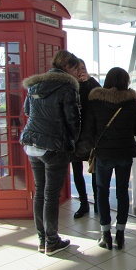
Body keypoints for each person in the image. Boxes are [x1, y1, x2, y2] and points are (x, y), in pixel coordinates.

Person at [20, 49, 81, 256]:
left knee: (40, 192)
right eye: (75, 68)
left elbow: (27, 110)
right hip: (54, 145)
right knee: (51, 195)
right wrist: (72, 141)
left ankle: (41, 240)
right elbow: (73, 119)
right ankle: (52, 242)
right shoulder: (67, 86)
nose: (76, 73)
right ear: (67, 67)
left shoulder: (35, 84)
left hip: (31, 142)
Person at [81, 67, 136, 250]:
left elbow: (88, 130)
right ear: (126, 82)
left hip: (103, 153)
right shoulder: (132, 102)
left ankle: (105, 234)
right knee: (123, 192)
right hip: (124, 152)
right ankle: (121, 235)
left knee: (102, 191)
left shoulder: (96, 101)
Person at [70, 59, 100, 219]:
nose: (81, 71)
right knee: (76, 171)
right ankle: (83, 203)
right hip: (75, 135)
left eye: (83, 68)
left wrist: (89, 79)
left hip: (91, 134)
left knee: (94, 169)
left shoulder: (90, 84)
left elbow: (102, 95)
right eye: (78, 69)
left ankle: (97, 202)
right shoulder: (69, 87)